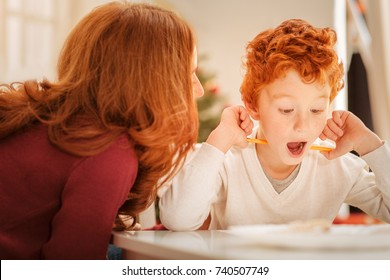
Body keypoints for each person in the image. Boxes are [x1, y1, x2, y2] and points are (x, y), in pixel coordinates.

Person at [0, 1, 204, 259]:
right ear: (153, 81)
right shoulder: (108, 151)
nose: (199, 90)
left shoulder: (52, 118)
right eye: (188, 74)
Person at [159, 19, 390, 231]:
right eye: (287, 110)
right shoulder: (224, 160)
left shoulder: (337, 167)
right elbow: (178, 220)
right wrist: (219, 140)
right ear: (253, 106)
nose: (302, 125)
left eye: (317, 110)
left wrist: (370, 145)